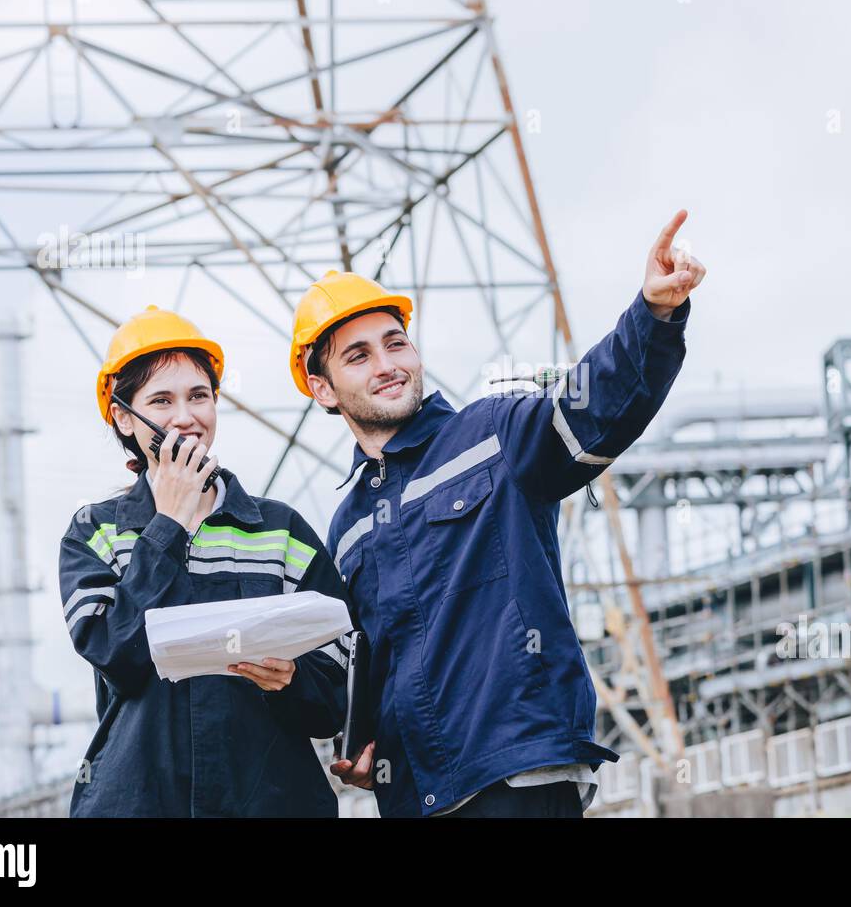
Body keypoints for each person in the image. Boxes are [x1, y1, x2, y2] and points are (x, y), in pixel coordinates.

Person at [291, 210, 706, 817]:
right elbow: (373, 657)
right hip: (415, 795)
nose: (387, 365)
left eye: (395, 342)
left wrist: (653, 315)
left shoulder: (493, 435)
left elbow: (593, 410)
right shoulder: (348, 523)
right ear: (322, 387)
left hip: (518, 773)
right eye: (358, 356)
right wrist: (365, 741)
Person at [59, 305, 351, 817]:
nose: (185, 416)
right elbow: (113, 654)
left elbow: (334, 698)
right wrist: (166, 526)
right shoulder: (95, 532)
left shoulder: (280, 532)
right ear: (123, 417)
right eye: (161, 400)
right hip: (140, 804)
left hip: (273, 803)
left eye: (199, 396)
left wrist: (292, 679)